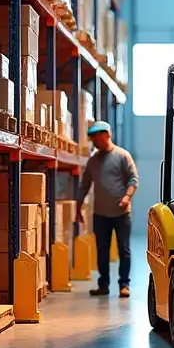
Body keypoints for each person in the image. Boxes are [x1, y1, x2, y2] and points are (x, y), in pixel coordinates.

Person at [77, 120, 139, 298]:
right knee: (101, 250)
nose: (95, 141)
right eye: (93, 138)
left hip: (121, 214)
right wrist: (78, 207)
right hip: (100, 215)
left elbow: (133, 180)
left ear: (107, 134)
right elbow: (84, 185)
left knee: (124, 249)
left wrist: (127, 197)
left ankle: (124, 285)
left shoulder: (122, 156)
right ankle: (103, 284)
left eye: (97, 136)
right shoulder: (93, 161)